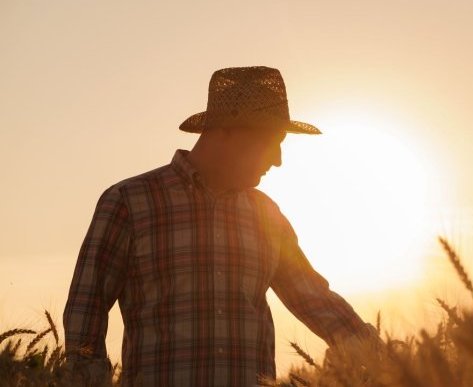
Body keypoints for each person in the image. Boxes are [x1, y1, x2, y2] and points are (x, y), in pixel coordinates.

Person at [63, 66, 374, 386]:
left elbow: (312, 298)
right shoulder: (129, 201)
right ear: (227, 132)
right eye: (271, 141)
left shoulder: (266, 214)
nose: (279, 160)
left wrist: (388, 357)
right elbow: (87, 308)